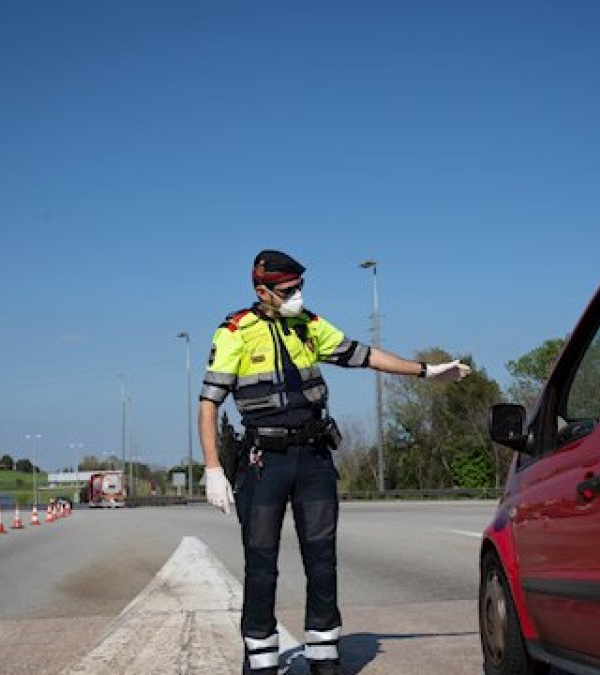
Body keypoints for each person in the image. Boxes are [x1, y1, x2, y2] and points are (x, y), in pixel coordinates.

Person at [197, 249, 471, 675]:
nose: (297, 296)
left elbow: (365, 356)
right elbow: (208, 405)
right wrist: (212, 468)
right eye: (288, 290)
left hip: (313, 458)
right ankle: (260, 659)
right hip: (263, 461)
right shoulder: (235, 331)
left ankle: (324, 654)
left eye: (300, 287)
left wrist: (425, 371)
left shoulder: (311, 326)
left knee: (322, 559)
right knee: (261, 560)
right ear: (262, 291)